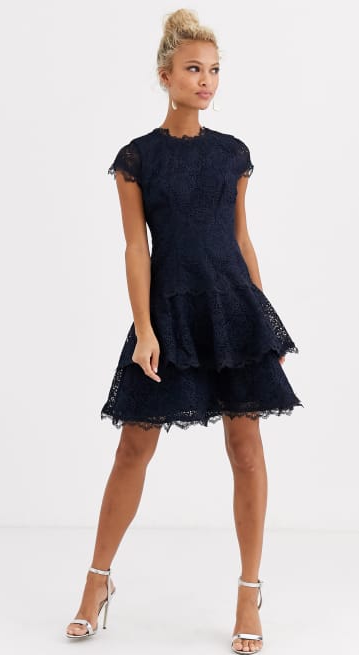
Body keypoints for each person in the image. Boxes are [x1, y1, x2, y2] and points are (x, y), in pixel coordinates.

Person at [65, 8, 303, 654]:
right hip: (169, 314)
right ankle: (96, 582)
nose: (205, 81)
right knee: (132, 448)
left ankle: (249, 592)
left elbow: (241, 241)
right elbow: (135, 249)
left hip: (233, 310)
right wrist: (144, 329)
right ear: (164, 74)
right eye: (193, 69)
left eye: (214, 71)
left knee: (246, 449)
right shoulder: (137, 158)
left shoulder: (232, 155)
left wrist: (264, 326)